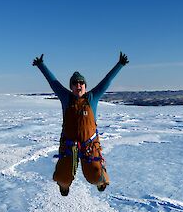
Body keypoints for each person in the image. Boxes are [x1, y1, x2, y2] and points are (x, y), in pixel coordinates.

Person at [32, 52, 129, 196]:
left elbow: (106, 81)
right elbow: (54, 83)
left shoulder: (92, 97)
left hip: (89, 146)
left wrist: (119, 65)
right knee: (62, 176)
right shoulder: (66, 98)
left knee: (96, 176)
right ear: (71, 87)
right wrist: (41, 65)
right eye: (75, 83)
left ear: (85, 86)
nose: (79, 85)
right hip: (69, 145)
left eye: (81, 83)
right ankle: (64, 185)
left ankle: (101, 180)